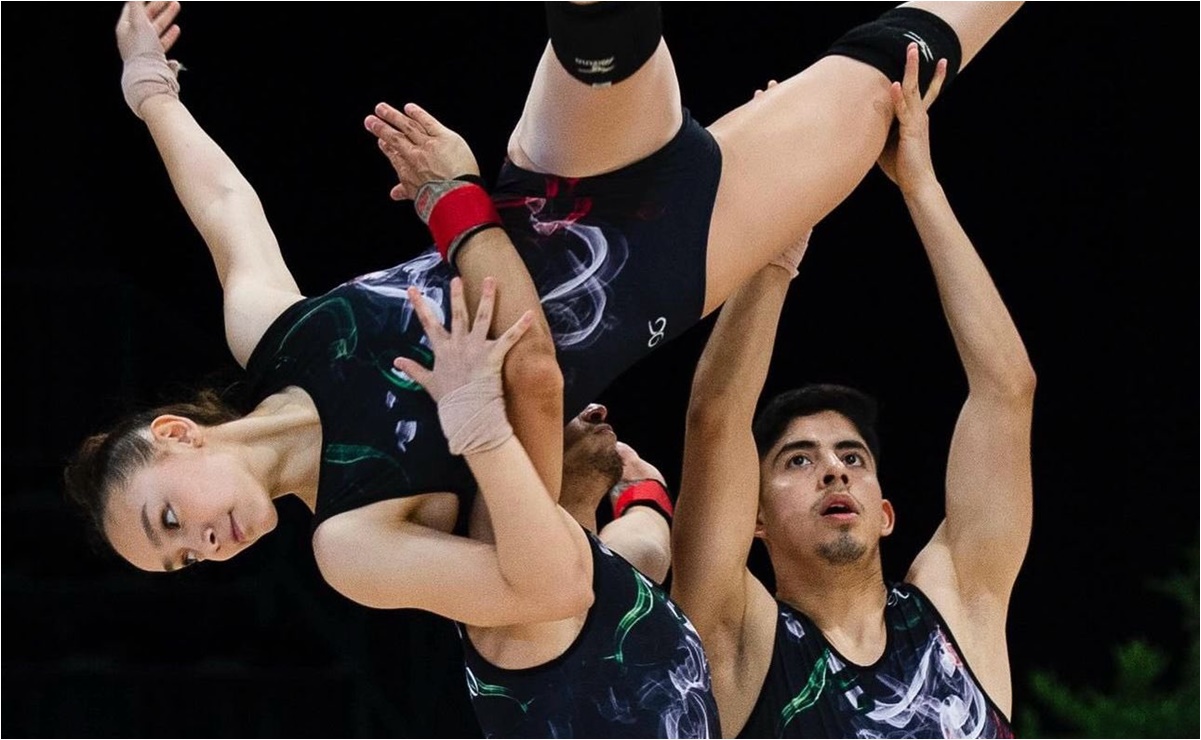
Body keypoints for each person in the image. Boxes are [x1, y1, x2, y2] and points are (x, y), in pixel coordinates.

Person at [69, 0, 1020, 679]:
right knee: (908, 63)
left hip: (554, 177)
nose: (206, 545)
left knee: (598, 20)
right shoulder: (352, 545)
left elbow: (227, 207)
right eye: (185, 561)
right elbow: (555, 584)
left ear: (176, 434)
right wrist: (452, 210)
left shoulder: (275, 337)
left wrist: (149, 87)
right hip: (683, 257)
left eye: (169, 522)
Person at [669, 45, 1034, 737]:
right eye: (797, 460)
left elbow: (1005, 390)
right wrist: (773, 245)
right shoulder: (738, 640)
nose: (833, 467)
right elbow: (715, 418)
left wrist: (919, 186)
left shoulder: (960, 608)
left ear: (886, 513)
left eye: (851, 458)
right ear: (752, 519)